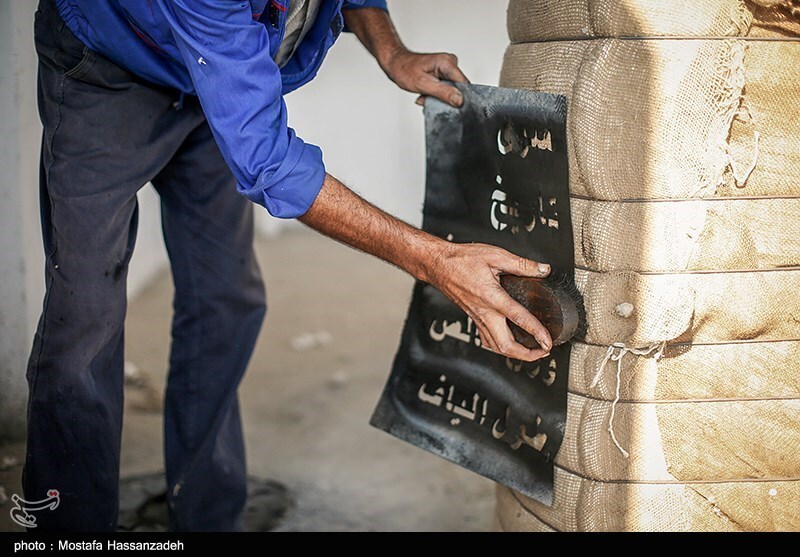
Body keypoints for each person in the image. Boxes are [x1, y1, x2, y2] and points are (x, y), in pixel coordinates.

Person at [25, 0, 554, 532]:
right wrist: (434, 259)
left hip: (220, 77)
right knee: (83, 319)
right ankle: (68, 527)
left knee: (225, 300)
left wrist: (391, 51)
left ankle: (206, 512)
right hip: (109, 72)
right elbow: (267, 162)